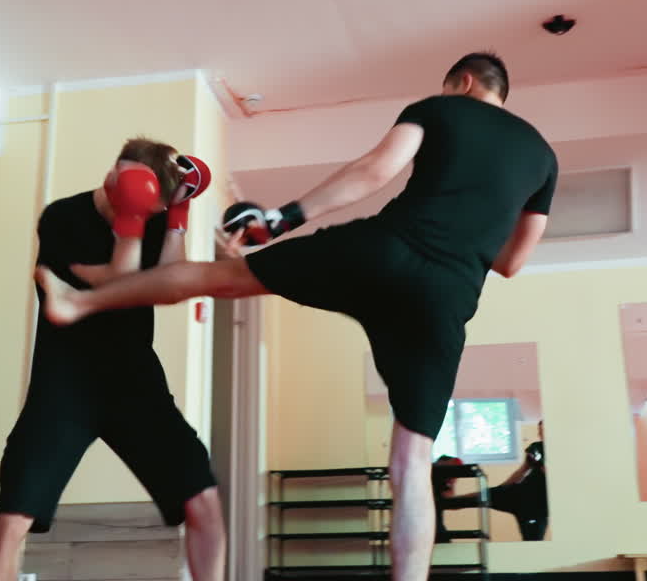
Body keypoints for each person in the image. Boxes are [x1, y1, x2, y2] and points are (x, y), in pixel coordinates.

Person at [35, 52, 559, 581]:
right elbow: (511, 263)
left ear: (463, 82)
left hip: (383, 250)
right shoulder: (543, 159)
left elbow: (375, 170)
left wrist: (282, 219)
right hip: (447, 298)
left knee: (221, 278)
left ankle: (76, 302)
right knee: (412, 460)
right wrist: (478, 224)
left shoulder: (441, 109)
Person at [0, 138, 224, 581]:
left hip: (134, 380)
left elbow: (171, 280)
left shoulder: (157, 215)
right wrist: (132, 219)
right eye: (117, 173)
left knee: (204, 499)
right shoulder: (63, 217)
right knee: (13, 516)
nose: (114, 184)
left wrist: (177, 218)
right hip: (64, 383)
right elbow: (115, 283)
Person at [444, 420, 548, 540]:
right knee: (476, 498)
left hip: (537, 507)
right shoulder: (536, 447)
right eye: (539, 431)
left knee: (534, 540)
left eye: (543, 431)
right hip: (518, 493)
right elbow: (521, 471)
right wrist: (503, 487)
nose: (540, 434)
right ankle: (441, 503)